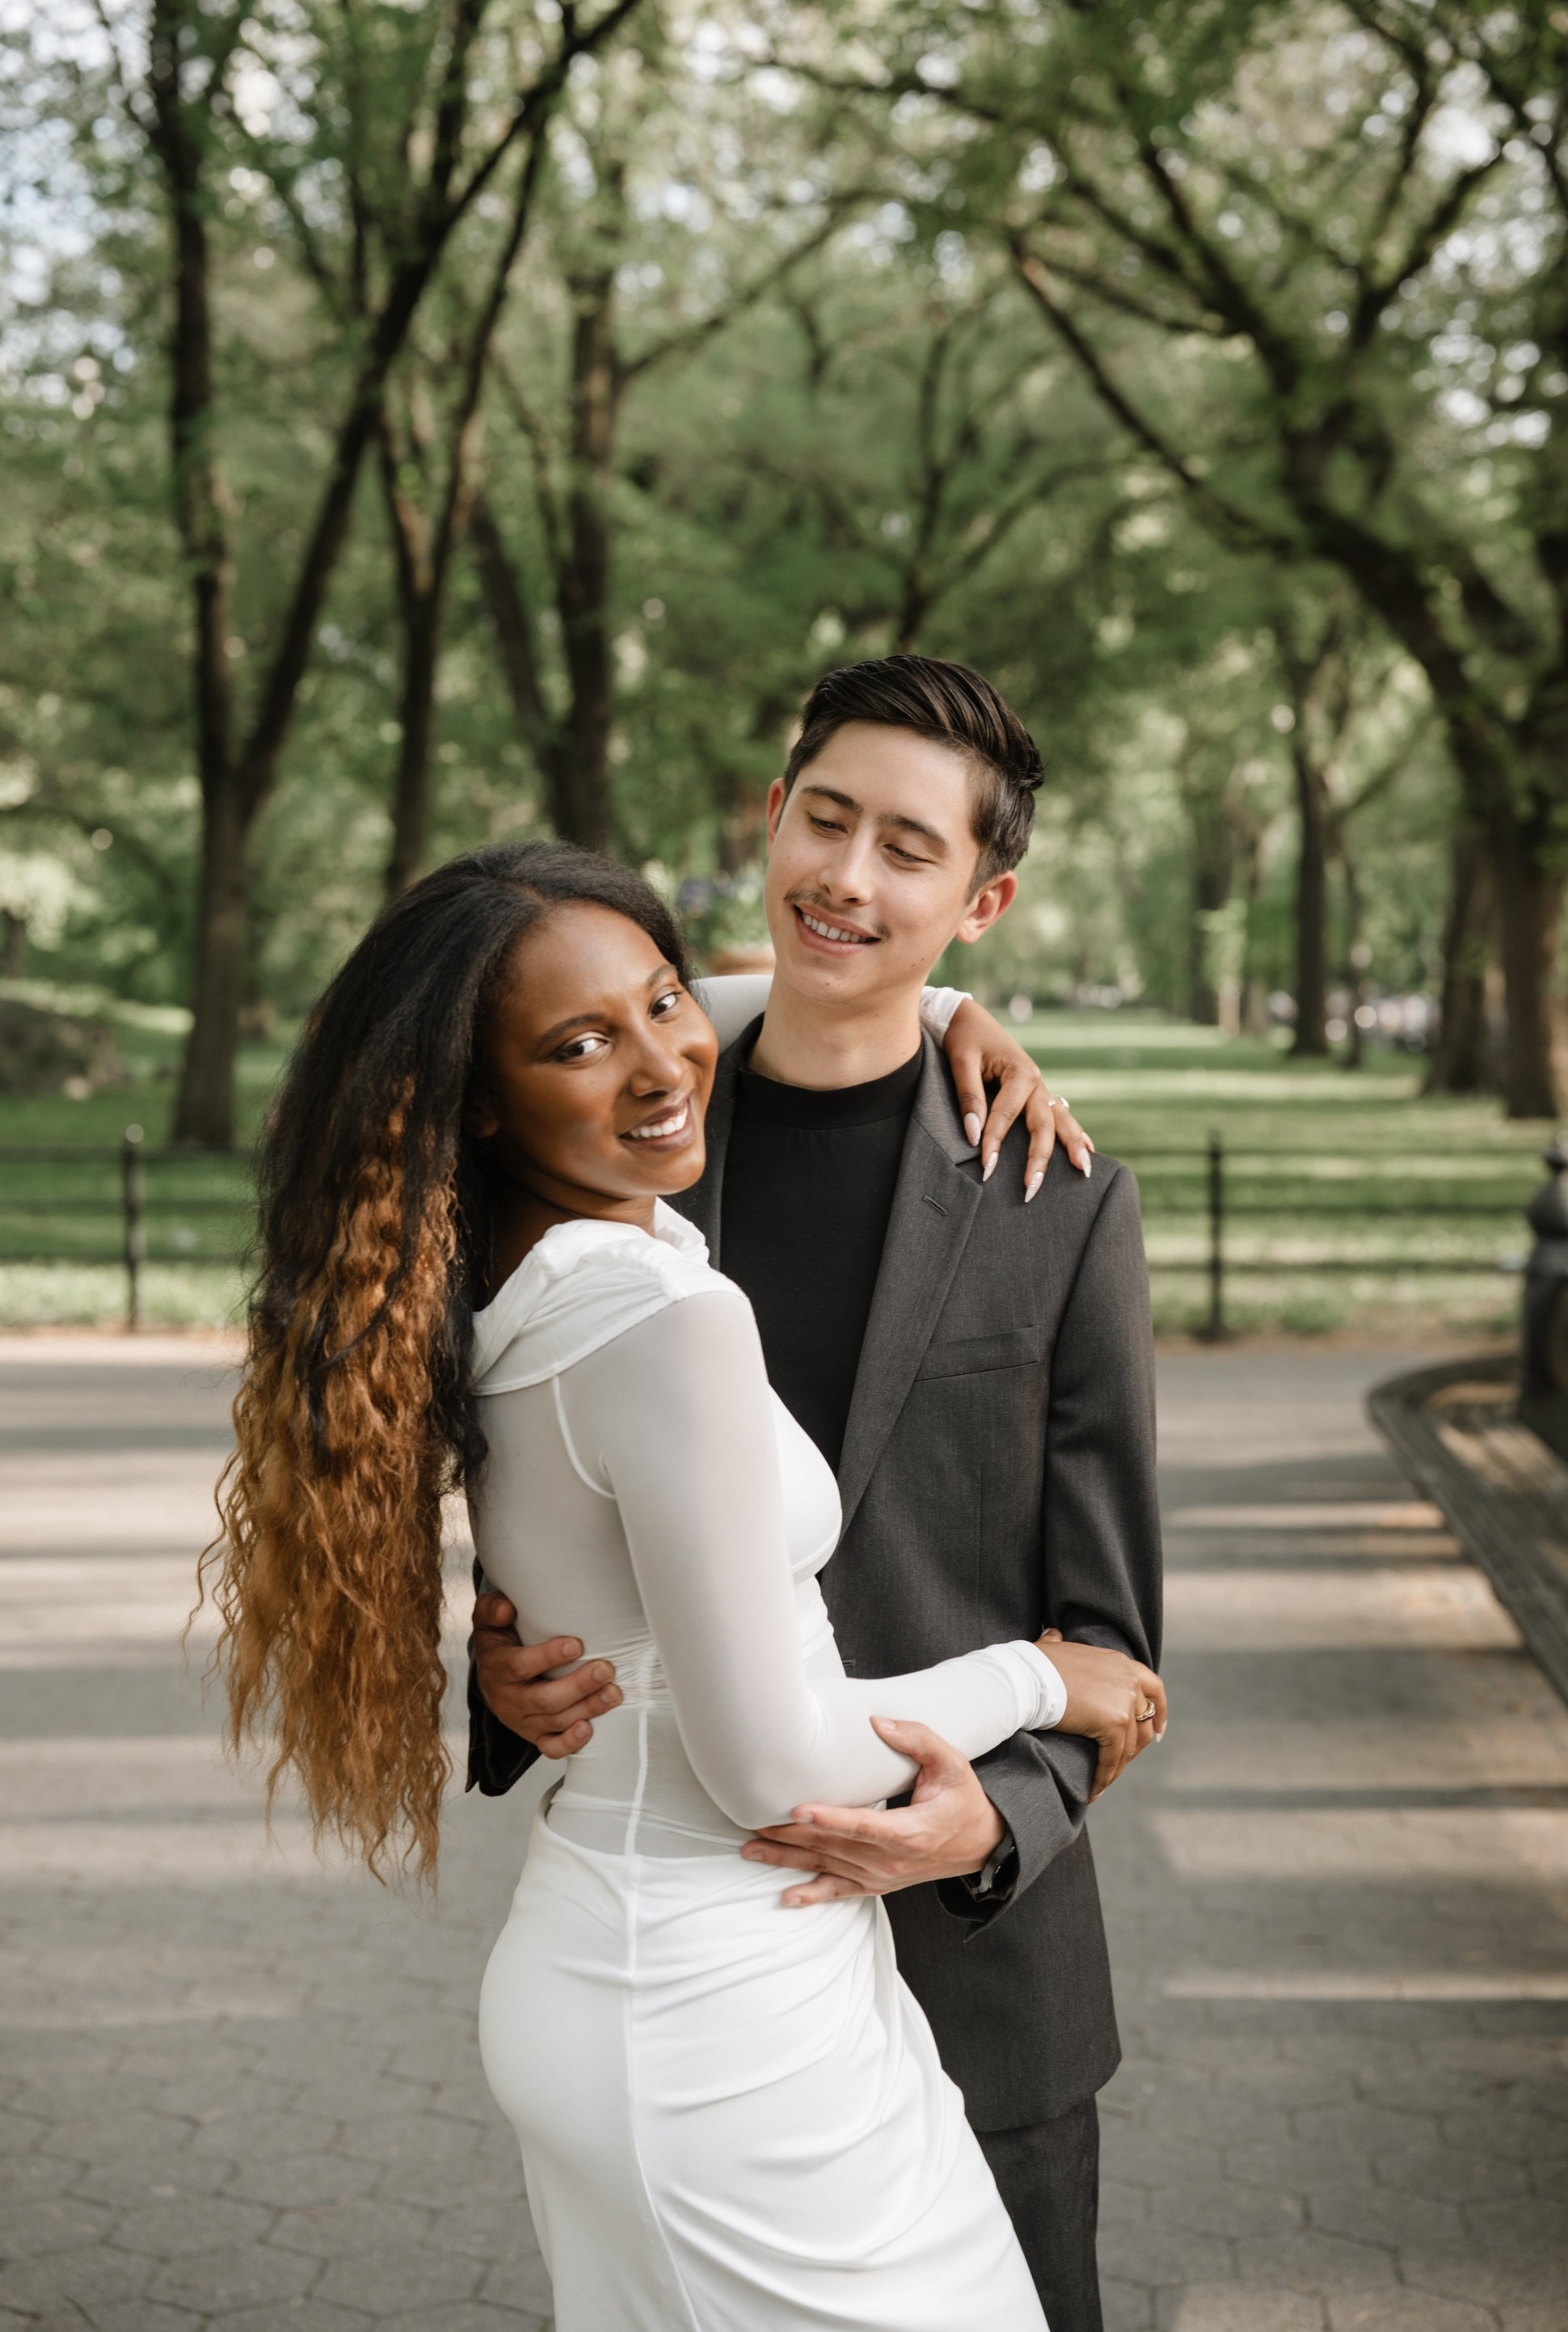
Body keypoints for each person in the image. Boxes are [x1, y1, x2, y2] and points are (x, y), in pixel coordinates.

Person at [203, 833, 1151, 2331]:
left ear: (983, 897)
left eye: (666, 1005)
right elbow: (772, 1761)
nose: (659, 1062)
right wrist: (1045, 1678)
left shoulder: (519, 1275)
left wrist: (945, 1007)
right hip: (728, 1999)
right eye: (585, 1043)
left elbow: (636, 1015)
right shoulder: (656, 1303)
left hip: (713, 1970)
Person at [470, 655, 1165, 2331]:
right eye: (827, 820)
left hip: (979, 1966)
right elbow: (531, 1454)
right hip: (709, 1980)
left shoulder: (1058, 1203)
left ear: (981, 902)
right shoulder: (639, 1122)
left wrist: (996, 1817)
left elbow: (1112, 1641)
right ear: (770, 820)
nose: (848, 879)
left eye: (908, 851)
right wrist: (498, 1662)